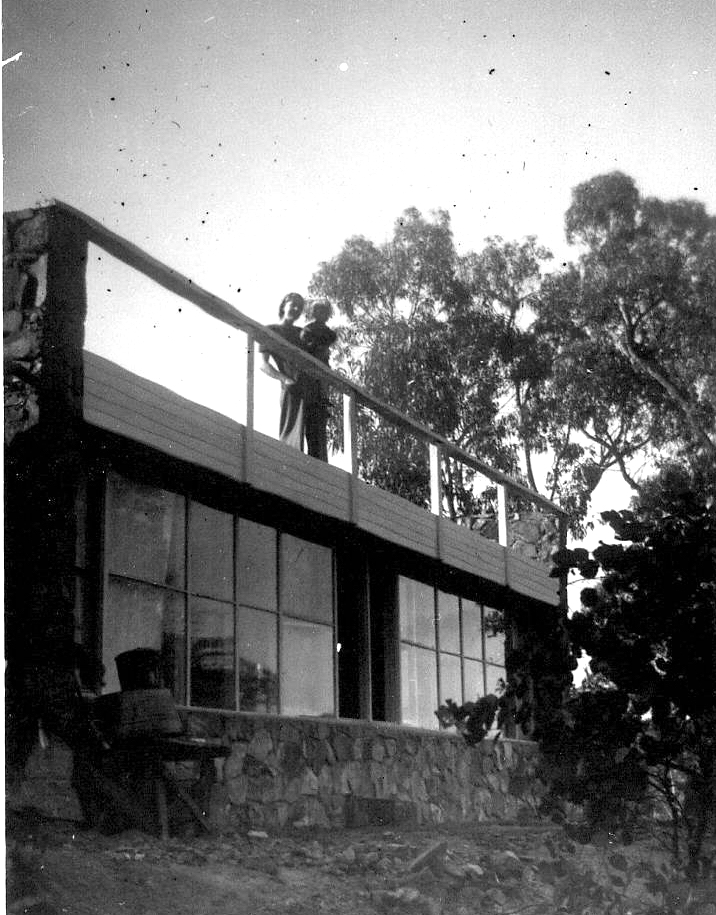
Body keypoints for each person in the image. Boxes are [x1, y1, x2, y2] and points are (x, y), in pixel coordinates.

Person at [259, 292, 306, 450]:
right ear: (284, 304)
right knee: (290, 435)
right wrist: (284, 378)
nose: (296, 309)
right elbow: (263, 364)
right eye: (293, 304)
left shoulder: (302, 333)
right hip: (291, 387)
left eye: (299, 307)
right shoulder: (271, 330)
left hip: (308, 385)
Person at [301, 300, 337, 461]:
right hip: (311, 373)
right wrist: (317, 348)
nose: (322, 315)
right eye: (319, 312)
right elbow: (307, 343)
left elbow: (330, 339)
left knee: (319, 415)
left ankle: (323, 398)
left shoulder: (328, 332)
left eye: (324, 312)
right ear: (314, 313)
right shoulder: (309, 329)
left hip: (322, 372)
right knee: (311, 416)